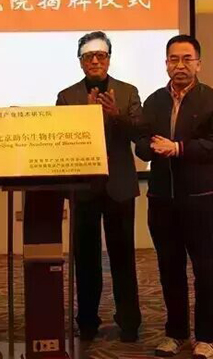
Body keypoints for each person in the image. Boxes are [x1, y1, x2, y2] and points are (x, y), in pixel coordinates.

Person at [136, 34, 213, 359]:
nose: (180, 65)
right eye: (174, 59)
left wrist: (177, 148)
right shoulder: (154, 101)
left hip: (200, 198)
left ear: (198, 64)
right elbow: (142, 146)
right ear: (166, 64)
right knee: (169, 268)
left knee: (205, 269)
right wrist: (146, 144)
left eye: (187, 59)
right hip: (162, 198)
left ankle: (205, 337)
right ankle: (175, 333)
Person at [56, 31, 142, 342]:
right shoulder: (67, 97)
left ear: (108, 59)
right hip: (84, 187)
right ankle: (88, 321)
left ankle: (129, 322)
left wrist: (115, 115)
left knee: (123, 257)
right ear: (80, 61)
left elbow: (140, 133)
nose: (95, 61)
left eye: (101, 55)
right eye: (88, 56)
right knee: (86, 259)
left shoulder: (128, 92)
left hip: (120, 185)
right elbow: (62, 140)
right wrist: (87, 116)